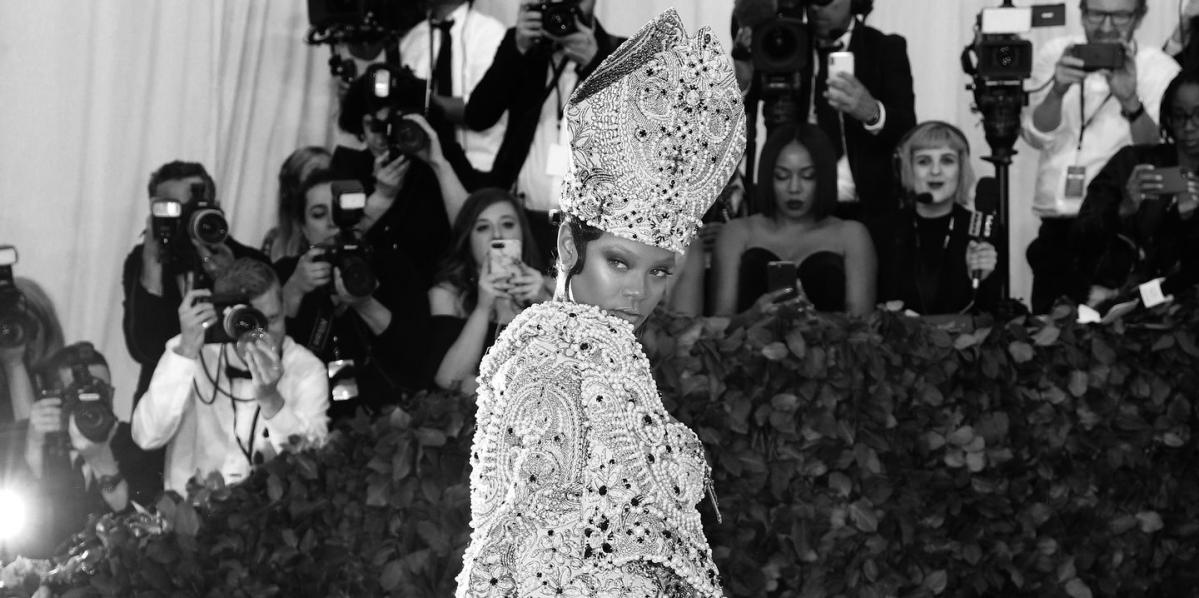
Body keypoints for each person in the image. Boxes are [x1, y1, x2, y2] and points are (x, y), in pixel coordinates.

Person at [457, 10, 744, 596]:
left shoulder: (564, 344)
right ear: (569, 244)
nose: (639, 291)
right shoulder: (567, 354)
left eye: (660, 270)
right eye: (619, 262)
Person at [1021, 0, 1179, 313]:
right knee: (1047, 341)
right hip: (1057, 226)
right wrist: (1057, 91)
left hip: (1120, 231)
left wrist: (1130, 101)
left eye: (1120, 16)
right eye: (1096, 14)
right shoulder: (1056, 53)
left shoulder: (1159, 68)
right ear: (1081, 13)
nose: (1106, 27)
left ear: (1139, 17)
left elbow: (1162, 157)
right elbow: (1034, 134)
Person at [131, 259, 329, 494]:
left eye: (272, 319)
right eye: (252, 323)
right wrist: (185, 353)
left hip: (269, 517)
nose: (262, 334)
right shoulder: (192, 350)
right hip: (192, 515)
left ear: (285, 308)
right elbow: (147, 436)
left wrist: (271, 400)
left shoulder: (305, 368)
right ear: (227, 317)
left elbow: (313, 463)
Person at [463, 0, 627, 257]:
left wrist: (595, 64)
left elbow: (633, 137)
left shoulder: (622, 52)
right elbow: (477, 117)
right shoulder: (525, 47)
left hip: (592, 231)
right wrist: (517, 48)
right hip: (522, 224)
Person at [274, 170, 431, 422]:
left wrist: (365, 303)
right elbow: (265, 349)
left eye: (339, 212)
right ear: (303, 227)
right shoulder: (287, 272)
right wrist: (294, 290)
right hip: (307, 415)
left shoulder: (393, 267)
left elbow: (416, 355)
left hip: (387, 419)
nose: (332, 223)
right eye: (318, 214)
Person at [122, 161, 270, 402]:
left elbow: (267, 335)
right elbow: (144, 349)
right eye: (175, 210)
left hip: (234, 401)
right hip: (168, 402)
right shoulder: (144, 262)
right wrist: (152, 259)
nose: (186, 219)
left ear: (215, 207)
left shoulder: (249, 260)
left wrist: (229, 278)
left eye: (193, 208)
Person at [712, 122, 877, 317]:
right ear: (767, 177)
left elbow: (862, 329)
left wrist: (815, 321)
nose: (794, 188)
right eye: (782, 176)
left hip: (831, 346)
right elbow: (716, 326)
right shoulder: (737, 232)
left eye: (808, 176)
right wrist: (752, 317)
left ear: (824, 178)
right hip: (749, 345)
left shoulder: (851, 235)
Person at [18, 343, 162, 558]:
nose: (92, 401)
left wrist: (100, 460)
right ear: (55, 399)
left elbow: (147, 533)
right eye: (78, 394)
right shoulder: (43, 445)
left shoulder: (140, 440)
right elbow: (25, 535)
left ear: (112, 393)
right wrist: (33, 449)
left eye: (100, 391)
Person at [331, 68, 466, 287]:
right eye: (376, 126)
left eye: (394, 124)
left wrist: (440, 165)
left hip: (436, 286)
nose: (385, 135)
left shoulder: (440, 157)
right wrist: (381, 197)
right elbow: (339, 242)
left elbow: (470, 230)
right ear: (360, 128)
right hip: (371, 288)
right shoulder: (349, 165)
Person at [1073, 71, 1199, 305]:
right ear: (1168, 119)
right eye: (1180, 116)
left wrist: (1189, 219)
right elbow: (1081, 235)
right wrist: (1123, 209)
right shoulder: (1133, 162)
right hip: (1115, 303)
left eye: (1198, 115)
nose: (1188, 126)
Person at [799, 0, 915, 245]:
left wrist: (873, 113)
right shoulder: (788, 43)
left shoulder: (884, 48)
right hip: (800, 207)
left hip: (868, 208)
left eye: (826, 0)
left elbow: (908, 130)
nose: (816, 8)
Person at [427, 188, 548, 394]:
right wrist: (482, 309)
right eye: (483, 228)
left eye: (508, 224)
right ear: (468, 239)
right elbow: (448, 380)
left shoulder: (551, 287)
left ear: (522, 233)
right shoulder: (447, 295)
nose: (497, 235)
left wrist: (545, 303)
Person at [881, 122, 1002, 315]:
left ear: (961, 169)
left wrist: (979, 279)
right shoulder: (885, 230)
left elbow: (990, 316)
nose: (935, 171)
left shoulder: (983, 230)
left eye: (947, 160)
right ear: (908, 169)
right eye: (923, 161)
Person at [399, 0, 507, 173]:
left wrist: (423, 100)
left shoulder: (490, 32)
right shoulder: (411, 40)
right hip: (422, 169)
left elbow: (481, 109)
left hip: (480, 167)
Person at [1, 278, 64, 425]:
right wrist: (14, 365)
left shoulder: (66, 382)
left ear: (48, 329)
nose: (21, 337)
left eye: (28, 326)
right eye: (9, 330)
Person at [262, 146, 332, 262]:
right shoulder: (274, 239)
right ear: (292, 188)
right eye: (316, 174)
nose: (325, 182)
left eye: (329, 174)